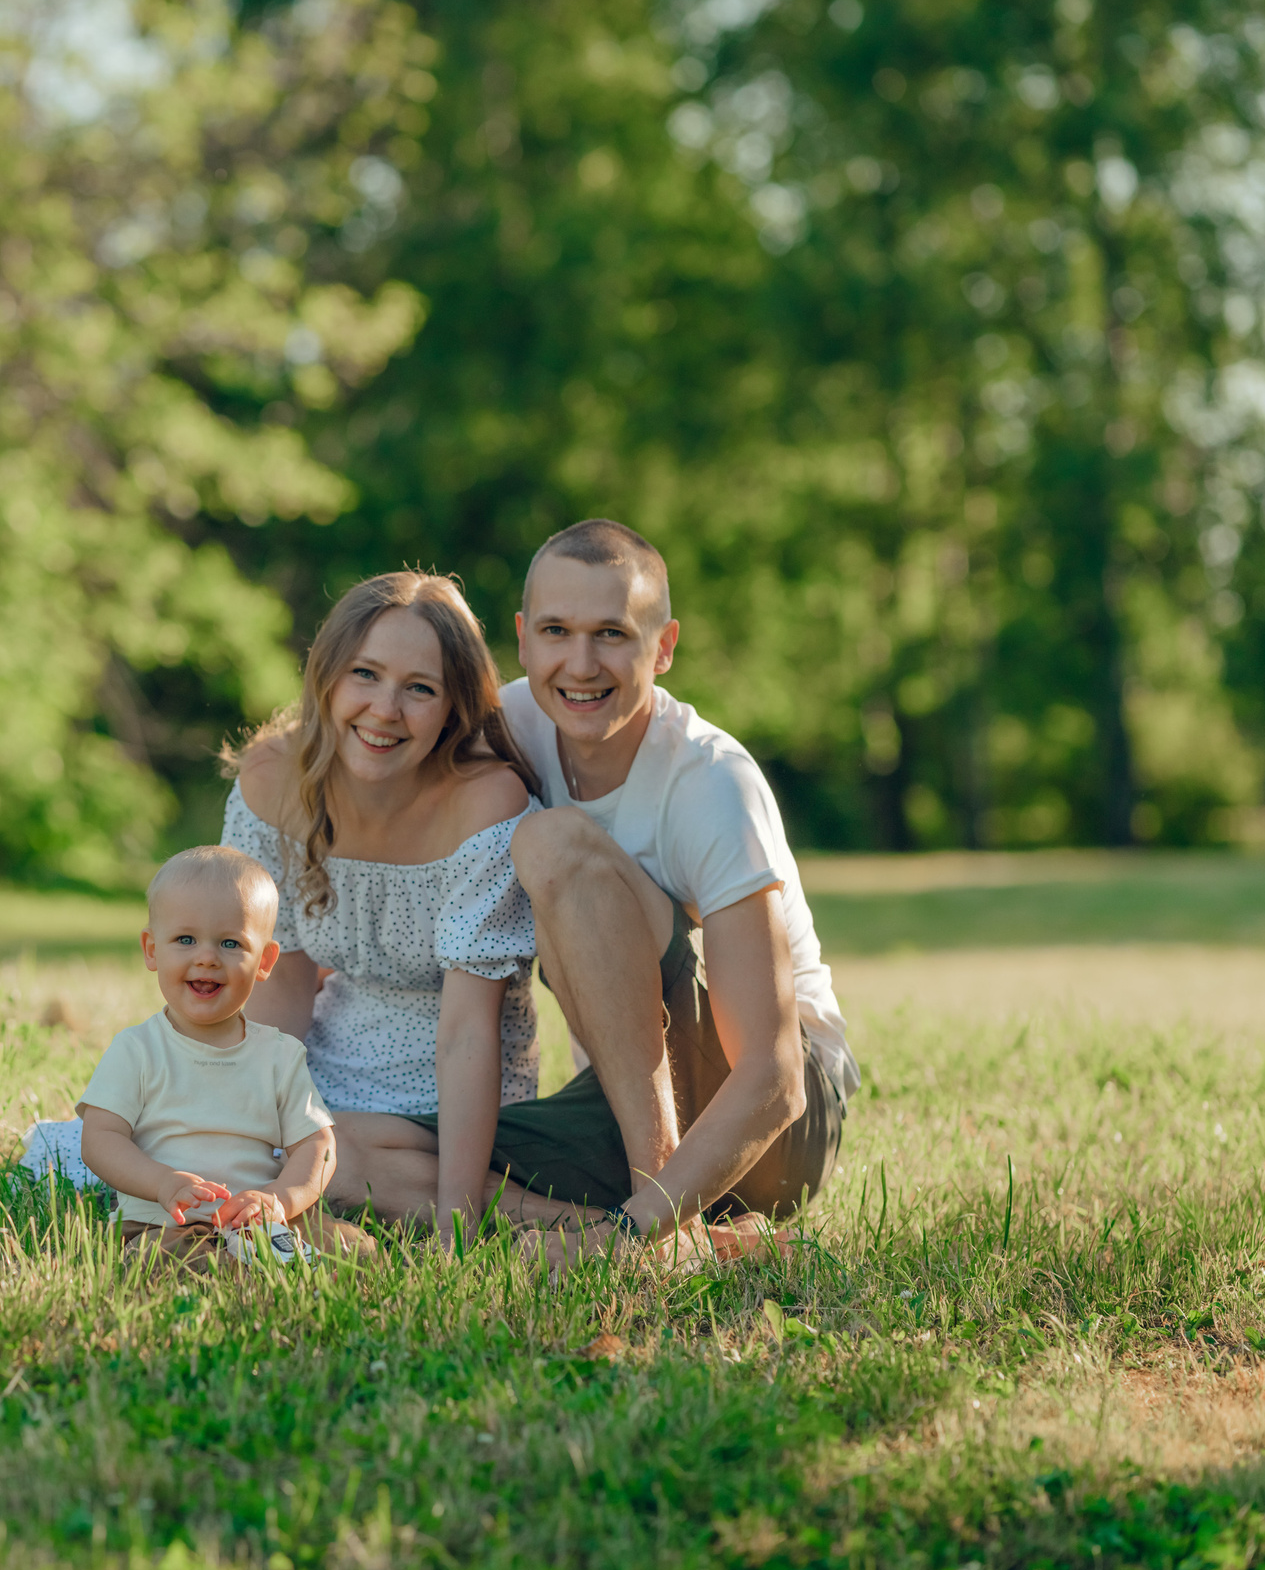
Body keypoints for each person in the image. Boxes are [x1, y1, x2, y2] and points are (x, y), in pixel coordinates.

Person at [481, 518, 860, 1258]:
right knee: (364, 1150)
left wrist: (637, 1226)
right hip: (627, 1108)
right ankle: (672, 1238)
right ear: (524, 639)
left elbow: (775, 1078)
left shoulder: (712, 781)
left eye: (613, 634)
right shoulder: (508, 727)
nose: (581, 663)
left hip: (780, 1125)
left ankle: (648, 1232)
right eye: (556, 631)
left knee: (554, 843)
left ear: (664, 646)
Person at [227, 572, 595, 1234]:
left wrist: (457, 1217)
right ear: (327, 676)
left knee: (330, 1162)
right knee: (232, 1143)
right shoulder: (273, 781)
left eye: (419, 688)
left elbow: (467, 1031)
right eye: (365, 674)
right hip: (330, 1073)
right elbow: (280, 986)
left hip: (457, 1090)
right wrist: (257, 1113)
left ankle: (600, 1228)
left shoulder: (485, 800)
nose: (385, 709)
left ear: (454, 705)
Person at [75, 844, 372, 1267]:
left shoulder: (279, 1054)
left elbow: (317, 1145)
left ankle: (259, 1262)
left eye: (230, 943)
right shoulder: (137, 1049)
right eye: (185, 939)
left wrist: (281, 1199)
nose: (207, 957)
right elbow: (100, 1140)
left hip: (260, 1219)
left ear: (265, 960)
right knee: (157, 1260)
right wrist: (161, 1182)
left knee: (352, 1250)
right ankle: (245, 1271)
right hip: (162, 1221)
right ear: (152, 950)